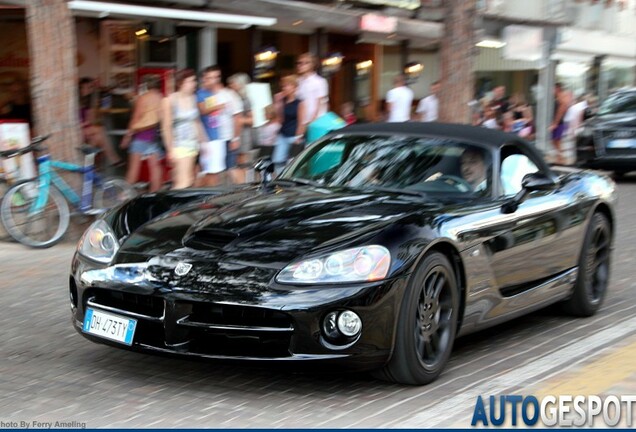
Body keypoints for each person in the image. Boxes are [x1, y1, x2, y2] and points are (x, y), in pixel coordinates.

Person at [161, 69, 206, 190]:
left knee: (192, 179)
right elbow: (166, 127)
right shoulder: (170, 100)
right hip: (180, 144)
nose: (194, 83)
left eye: (194, 80)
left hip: (193, 144)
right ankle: (174, 207)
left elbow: (196, 121)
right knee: (183, 182)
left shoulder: (193, 98)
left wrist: (203, 142)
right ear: (181, 82)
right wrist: (170, 149)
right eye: (190, 81)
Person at [120, 75, 164, 192]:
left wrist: (127, 136)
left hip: (141, 137)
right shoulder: (162, 98)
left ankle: (124, 197)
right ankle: (154, 196)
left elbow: (135, 118)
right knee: (155, 168)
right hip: (155, 137)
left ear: (146, 85)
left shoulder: (143, 98)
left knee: (133, 170)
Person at [78, 77, 122, 166]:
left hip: (85, 130)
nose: (87, 90)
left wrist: (97, 88)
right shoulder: (75, 101)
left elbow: (90, 120)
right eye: (85, 87)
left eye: (90, 87)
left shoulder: (87, 101)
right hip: (77, 129)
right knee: (99, 129)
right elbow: (86, 121)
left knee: (97, 138)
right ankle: (113, 159)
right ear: (80, 88)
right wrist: (85, 123)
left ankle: (88, 167)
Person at [272, 74, 305, 173]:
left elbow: (301, 121)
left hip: (294, 135)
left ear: (294, 87)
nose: (284, 88)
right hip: (283, 134)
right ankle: (280, 180)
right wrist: (277, 103)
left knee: (293, 163)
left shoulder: (300, 103)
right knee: (277, 160)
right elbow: (279, 119)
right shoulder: (283, 101)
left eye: (287, 85)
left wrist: (298, 136)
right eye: (283, 86)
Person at [227, 73, 255, 182]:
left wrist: (237, 120)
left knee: (242, 162)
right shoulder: (230, 98)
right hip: (233, 133)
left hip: (243, 135)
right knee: (236, 163)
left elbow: (252, 120)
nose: (230, 86)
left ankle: (245, 184)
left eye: (232, 83)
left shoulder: (245, 100)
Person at [296, 52, 328, 128]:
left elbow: (321, 102)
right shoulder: (298, 81)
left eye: (305, 63)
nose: (300, 65)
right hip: (299, 122)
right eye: (299, 63)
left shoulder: (319, 81)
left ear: (312, 65)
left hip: (314, 121)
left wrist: (314, 120)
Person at [550, 82, 570, 165]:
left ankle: (561, 157)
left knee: (556, 141)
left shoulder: (561, 98)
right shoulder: (558, 98)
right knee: (555, 141)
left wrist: (555, 123)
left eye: (553, 88)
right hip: (558, 122)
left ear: (557, 88)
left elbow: (560, 111)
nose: (552, 90)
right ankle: (560, 156)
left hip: (559, 122)